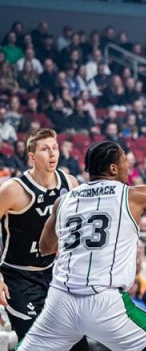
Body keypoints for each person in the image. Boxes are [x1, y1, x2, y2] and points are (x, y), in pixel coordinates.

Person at [17, 140, 146, 351]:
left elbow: (45, 247)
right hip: (104, 301)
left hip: (61, 300)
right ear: (113, 168)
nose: (128, 167)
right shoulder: (134, 195)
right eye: (125, 162)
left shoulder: (63, 201)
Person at [0, 129, 90, 351]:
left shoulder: (70, 184)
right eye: (44, 149)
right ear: (31, 157)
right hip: (16, 276)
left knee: (76, 340)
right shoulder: (13, 189)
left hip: (52, 273)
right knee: (36, 342)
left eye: (55, 147)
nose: (52, 153)